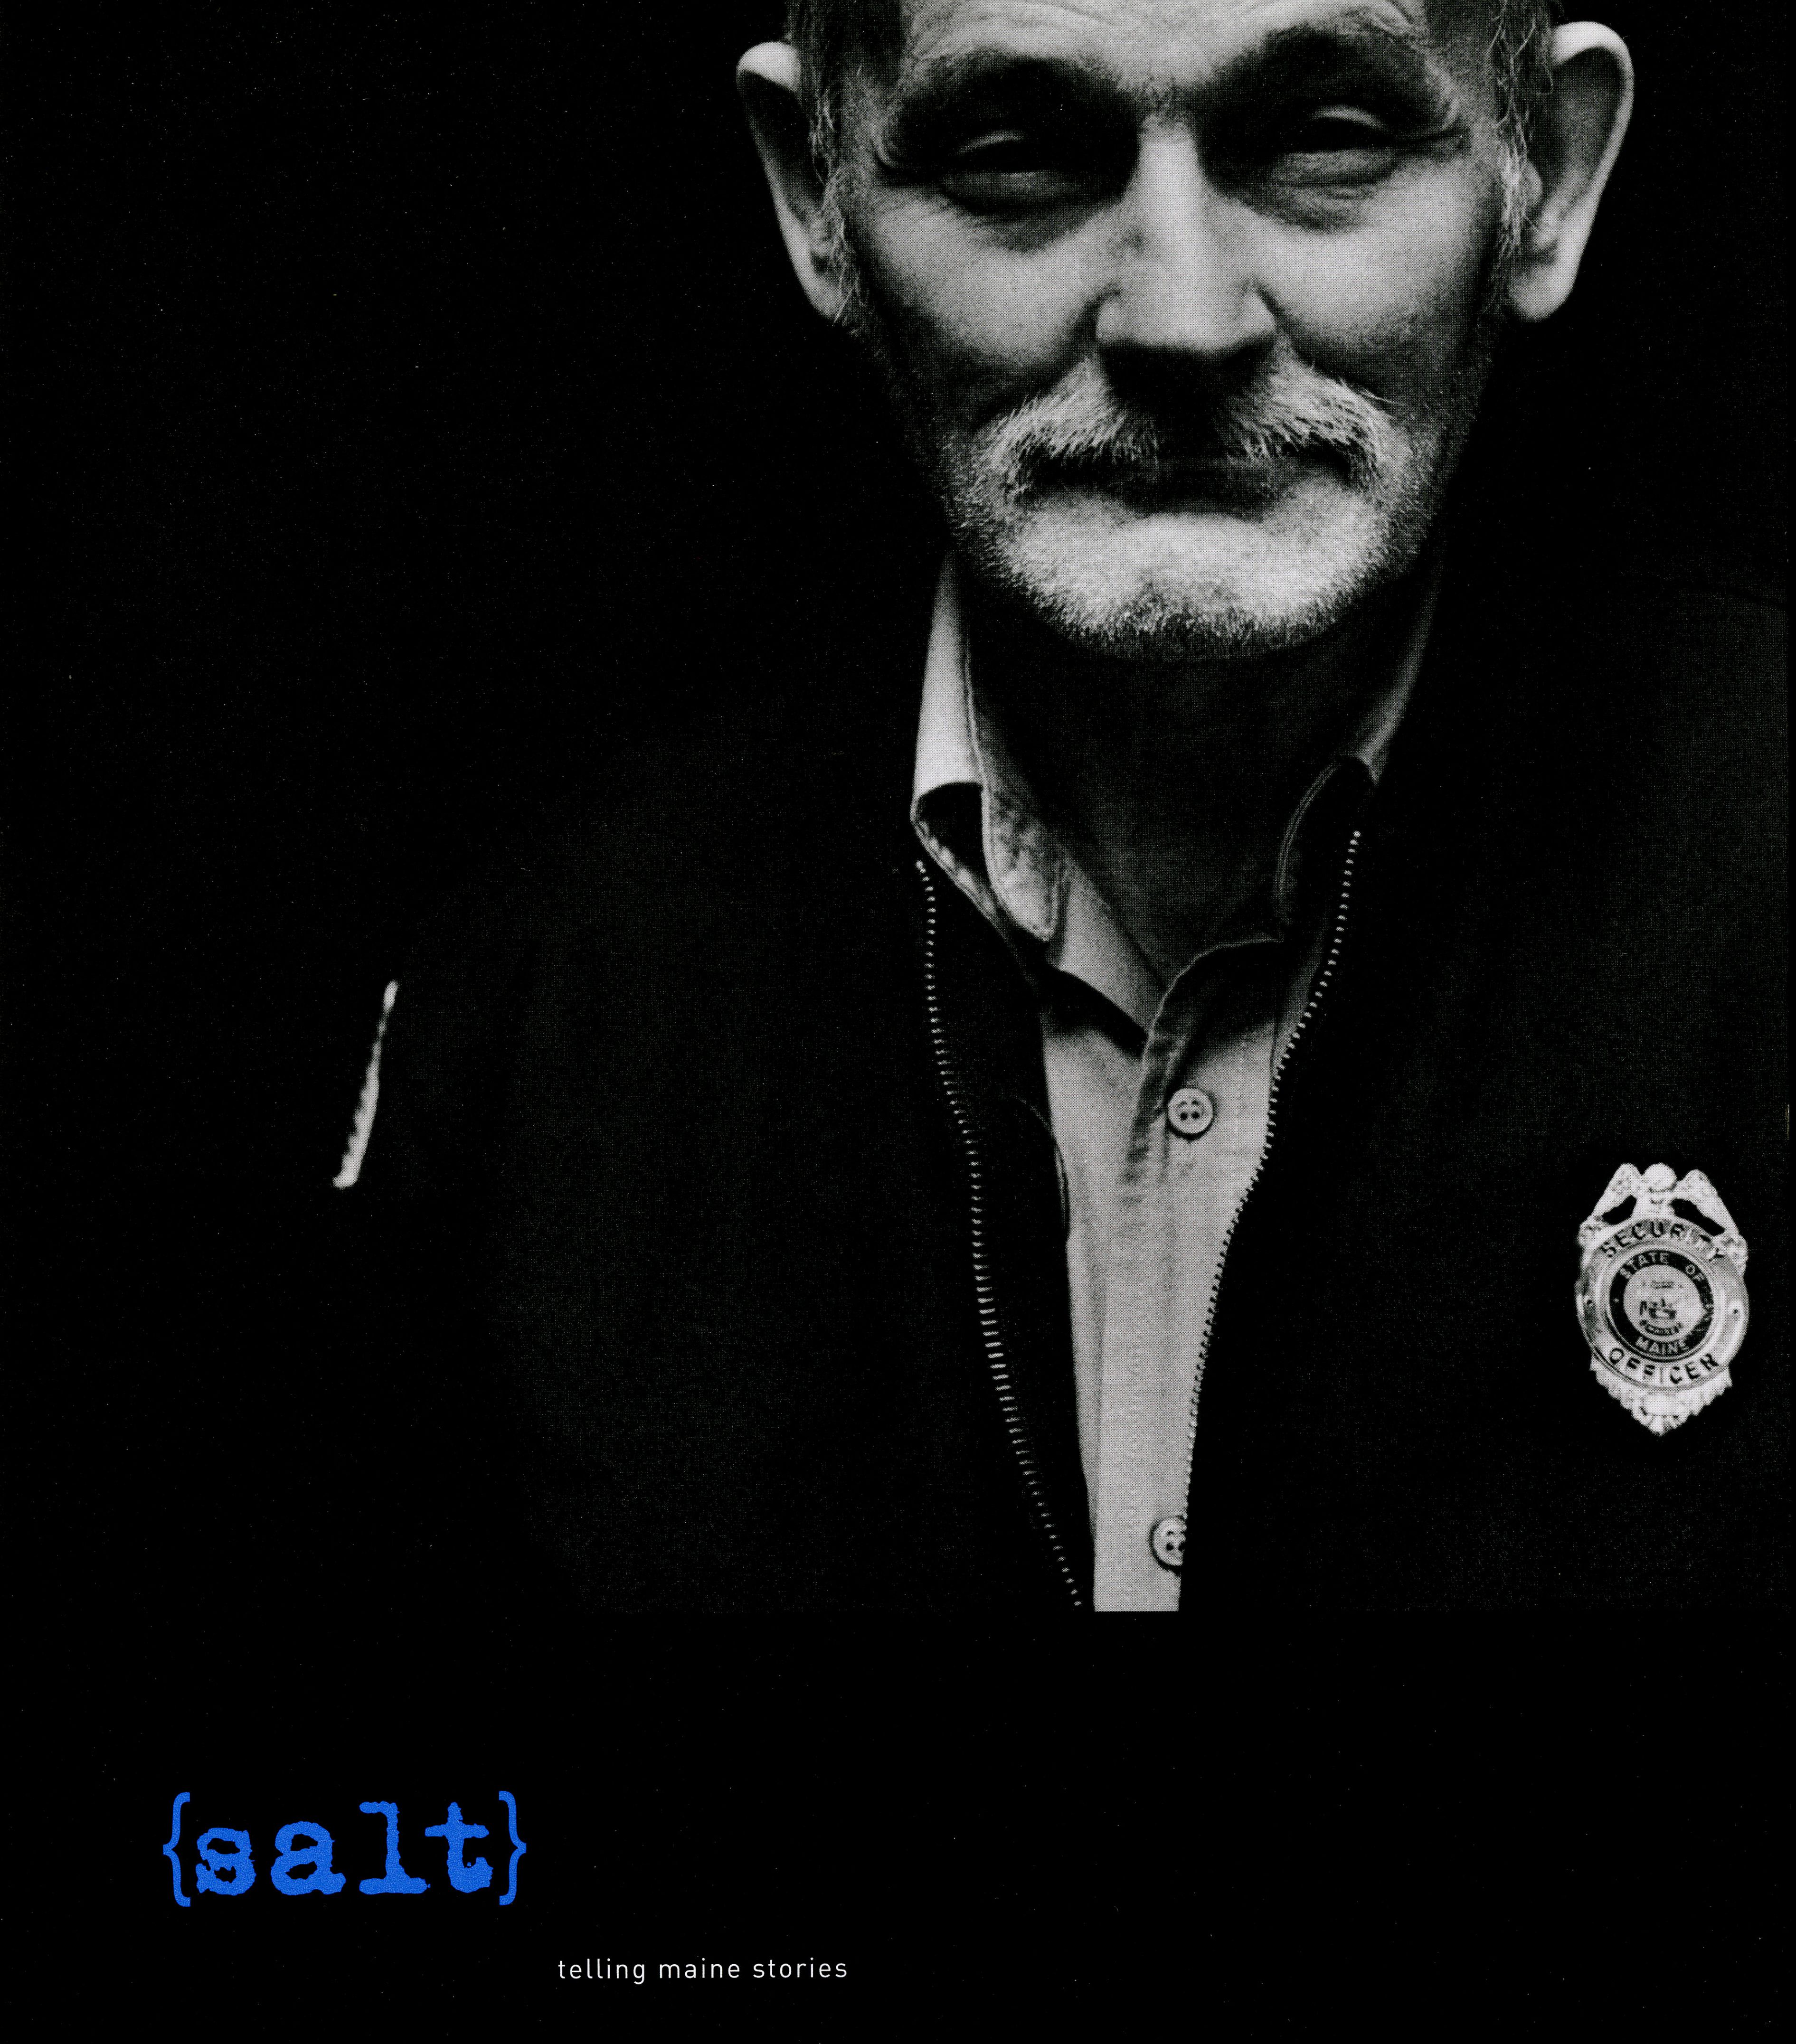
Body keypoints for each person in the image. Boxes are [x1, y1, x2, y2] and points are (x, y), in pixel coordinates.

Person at [336, 0, 1785, 1611]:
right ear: (816, 197)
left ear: (1553, 175)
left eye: (1326, 139)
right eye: (1017, 154)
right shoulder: (545, 1002)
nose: (1183, 318)